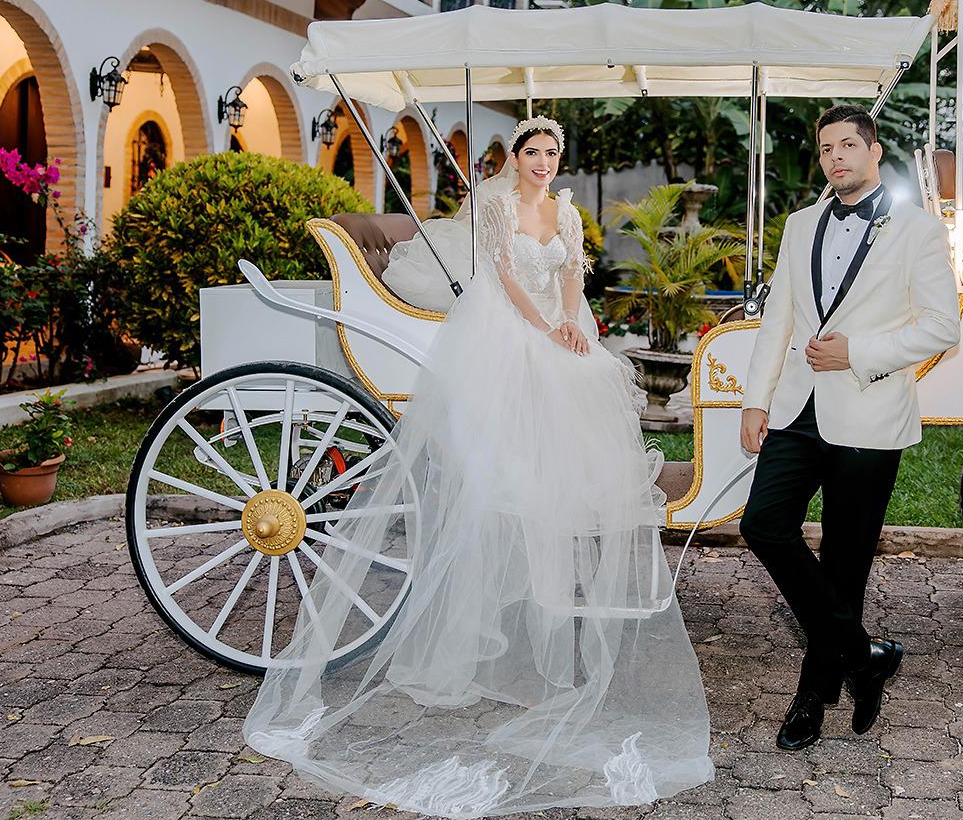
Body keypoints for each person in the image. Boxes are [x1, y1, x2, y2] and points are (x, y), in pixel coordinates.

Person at [243, 117, 713, 817]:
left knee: (595, 379)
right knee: (543, 409)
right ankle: (523, 594)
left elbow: (573, 281)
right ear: (516, 159)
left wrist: (574, 327)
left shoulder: (568, 211)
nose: (545, 163)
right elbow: (505, 279)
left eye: (554, 152)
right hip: (507, 328)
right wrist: (546, 327)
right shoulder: (497, 208)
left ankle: (569, 553)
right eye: (534, 152)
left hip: (557, 324)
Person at [738, 105, 960, 750]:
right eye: (825, 147)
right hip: (796, 410)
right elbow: (779, 315)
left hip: (870, 412)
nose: (836, 156)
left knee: (844, 565)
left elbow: (941, 325)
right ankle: (864, 660)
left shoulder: (916, 231)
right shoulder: (801, 224)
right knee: (763, 525)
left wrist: (856, 352)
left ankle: (812, 697)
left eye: (847, 145)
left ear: (873, 149)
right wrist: (755, 401)